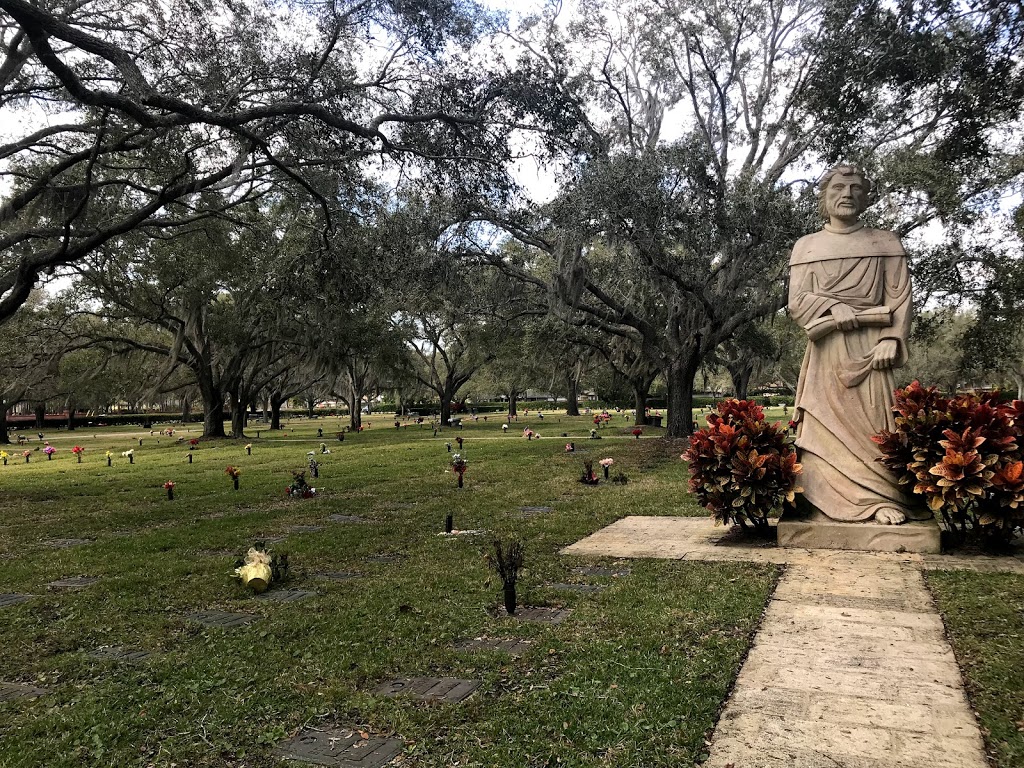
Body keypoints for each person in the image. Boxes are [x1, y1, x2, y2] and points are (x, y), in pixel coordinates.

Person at [789, 164, 928, 526]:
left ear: (867, 197)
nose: (847, 194)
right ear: (824, 195)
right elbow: (797, 301)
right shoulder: (807, 247)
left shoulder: (884, 243)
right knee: (823, 428)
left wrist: (892, 338)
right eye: (838, 187)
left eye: (855, 188)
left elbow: (900, 298)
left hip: (872, 352)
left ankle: (880, 498)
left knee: (876, 425)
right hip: (827, 351)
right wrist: (833, 306)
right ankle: (823, 503)